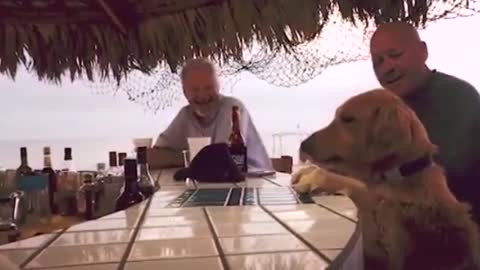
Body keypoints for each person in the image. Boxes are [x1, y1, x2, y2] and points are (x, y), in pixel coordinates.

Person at [369, 21, 480, 222]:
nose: (387, 67)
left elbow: (447, 169)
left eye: (395, 55)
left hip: (463, 235)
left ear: (423, 52)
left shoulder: (459, 97)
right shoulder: (385, 109)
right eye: (378, 62)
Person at [148, 58, 273, 171]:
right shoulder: (185, 115)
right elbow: (153, 157)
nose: (202, 95)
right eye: (195, 90)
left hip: (252, 185)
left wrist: (188, 157)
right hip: (210, 186)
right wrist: (189, 158)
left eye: (208, 88)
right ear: (185, 92)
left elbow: (223, 159)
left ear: (218, 87)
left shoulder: (233, 108)